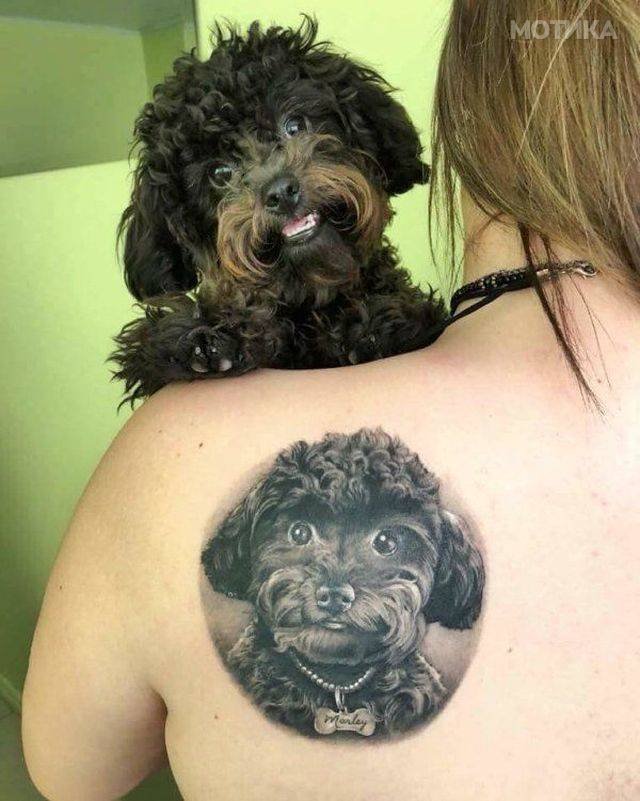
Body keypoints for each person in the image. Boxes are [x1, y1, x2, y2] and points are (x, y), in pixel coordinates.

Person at [22, 1, 640, 799]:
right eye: (223, 177)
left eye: (297, 126)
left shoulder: (175, 449)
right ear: (186, 231)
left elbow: (72, 775)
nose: (278, 179)